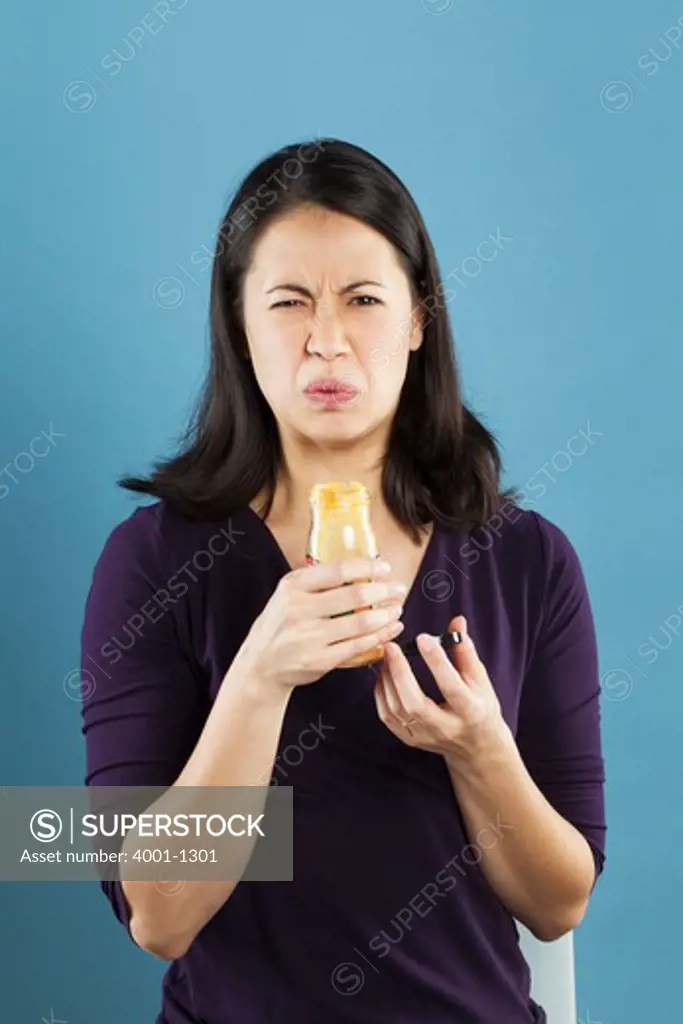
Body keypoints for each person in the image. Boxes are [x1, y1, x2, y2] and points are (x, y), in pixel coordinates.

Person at [80, 137, 606, 1024]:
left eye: (363, 299)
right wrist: (259, 679)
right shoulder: (151, 562)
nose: (327, 340)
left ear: (416, 321)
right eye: (288, 303)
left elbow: (559, 904)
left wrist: (478, 750)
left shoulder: (528, 562)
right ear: (240, 328)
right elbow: (156, 916)